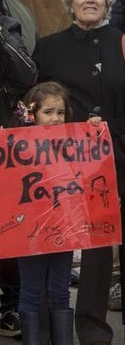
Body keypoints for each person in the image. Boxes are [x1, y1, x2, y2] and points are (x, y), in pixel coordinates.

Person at [33, 0, 125, 345]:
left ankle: (93, 328)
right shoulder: (48, 47)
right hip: (60, 162)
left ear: (107, 2)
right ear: (70, 2)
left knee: (100, 249)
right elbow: (35, 103)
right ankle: (47, 324)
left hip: (113, 161)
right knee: (53, 241)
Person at [12, 82, 97, 344]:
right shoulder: (16, 148)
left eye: (60, 112)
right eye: (48, 112)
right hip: (30, 233)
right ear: (32, 114)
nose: (55, 119)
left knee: (61, 290)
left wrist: (93, 131)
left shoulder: (72, 144)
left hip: (63, 228)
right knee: (31, 291)